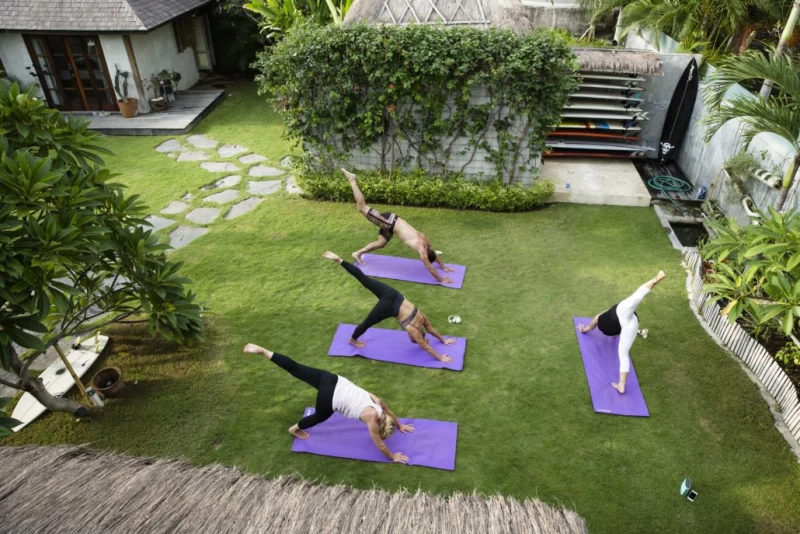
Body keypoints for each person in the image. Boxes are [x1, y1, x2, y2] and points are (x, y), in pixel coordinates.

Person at [242, 343, 415, 463]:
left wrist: (399, 424)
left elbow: (388, 411)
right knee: (319, 416)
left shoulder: (378, 403)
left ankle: (263, 351)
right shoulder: (371, 419)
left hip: (332, 379)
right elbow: (379, 443)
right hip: (330, 397)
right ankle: (295, 429)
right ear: (379, 424)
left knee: (297, 368)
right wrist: (393, 457)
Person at [323, 251, 457, 363]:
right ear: (416, 336)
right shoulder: (414, 330)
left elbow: (431, 329)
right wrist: (440, 358)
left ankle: (340, 260)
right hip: (389, 306)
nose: (409, 337)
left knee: (364, 279)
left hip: (394, 294)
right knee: (367, 322)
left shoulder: (421, 318)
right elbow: (426, 347)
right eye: (412, 338)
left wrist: (444, 340)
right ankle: (352, 340)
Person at [341, 168, 455, 284]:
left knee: (381, 243)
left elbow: (434, 253)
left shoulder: (426, 241)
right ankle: (352, 179)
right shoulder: (422, 249)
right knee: (362, 207)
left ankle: (357, 253)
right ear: (426, 254)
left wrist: (443, 266)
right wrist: (441, 279)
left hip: (392, 224)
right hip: (388, 222)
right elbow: (430, 267)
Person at [578, 271, 666, 394]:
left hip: (619, 326)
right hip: (630, 325)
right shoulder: (618, 311)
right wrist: (655, 280)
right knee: (623, 354)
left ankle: (621, 386)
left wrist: (584, 329)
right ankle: (622, 385)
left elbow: (592, 325)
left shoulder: (607, 316)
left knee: (622, 350)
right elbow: (639, 294)